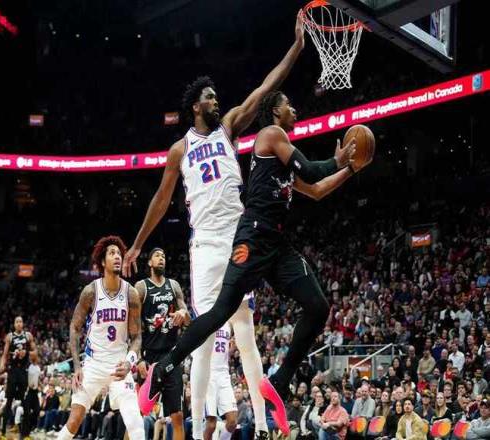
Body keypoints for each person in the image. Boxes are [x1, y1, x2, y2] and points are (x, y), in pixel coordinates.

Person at [122, 13, 312, 440]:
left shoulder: (230, 128)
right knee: (204, 337)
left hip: (240, 236)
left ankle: (261, 426)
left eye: (215, 96)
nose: (216, 101)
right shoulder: (180, 149)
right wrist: (137, 244)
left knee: (245, 332)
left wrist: (297, 48)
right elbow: (161, 200)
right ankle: (192, 431)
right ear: (196, 106)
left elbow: (264, 88)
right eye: (209, 97)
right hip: (205, 244)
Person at [138, 85, 358, 435]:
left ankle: (278, 384)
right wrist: (341, 161)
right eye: (289, 105)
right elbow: (311, 170)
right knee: (219, 315)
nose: (295, 110)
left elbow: (316, 190)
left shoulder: (280, 155)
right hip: (250, 240)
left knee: (318, 307)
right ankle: (165, 368)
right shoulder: (271, 135)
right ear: (276, 112)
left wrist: (350, 170)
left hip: (275, 245)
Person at [56, 236, 144, 440]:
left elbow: (137, 337)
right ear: (103, 261)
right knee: (74, 422)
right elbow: (74, 327)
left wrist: (129, 362)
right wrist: (77, 366)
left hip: (119, 366)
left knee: (136, 424)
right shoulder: (91, 292)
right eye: (112, 253)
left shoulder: (130, 294)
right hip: (93, 364)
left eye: (119, 254)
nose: (117, 257)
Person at [135, 247, 190, 440]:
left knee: (177, 416)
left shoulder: (173, 286)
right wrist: (138, 359)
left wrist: (183, 313)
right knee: (137, 415)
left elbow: (188, 319)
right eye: (157, 256)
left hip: (171, 357)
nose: (161, 258)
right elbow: (133, 326)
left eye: (164, 256)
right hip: (149, 357)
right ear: (150, 262)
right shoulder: (141, 287)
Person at [0, 316, 37, 439]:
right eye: (17, 322)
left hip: (23, 372)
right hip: (12, 371)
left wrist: (27, 353)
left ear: (23, 324)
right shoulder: (10, 336)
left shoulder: (28, 336)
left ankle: (25, 434)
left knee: (25, 403)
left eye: (21, 321)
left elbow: (35, 353)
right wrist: (1, 365)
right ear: (14, 324)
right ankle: (3, 433)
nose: (19, 323)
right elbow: (5, 354)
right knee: (9, 402)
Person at [203, 323, 237, 440]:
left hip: (224, 375)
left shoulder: (229, 324)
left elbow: (222, 352)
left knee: (232, 422)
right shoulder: (208, 319)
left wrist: (231, 349)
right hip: (209, 374)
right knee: (211, 425)